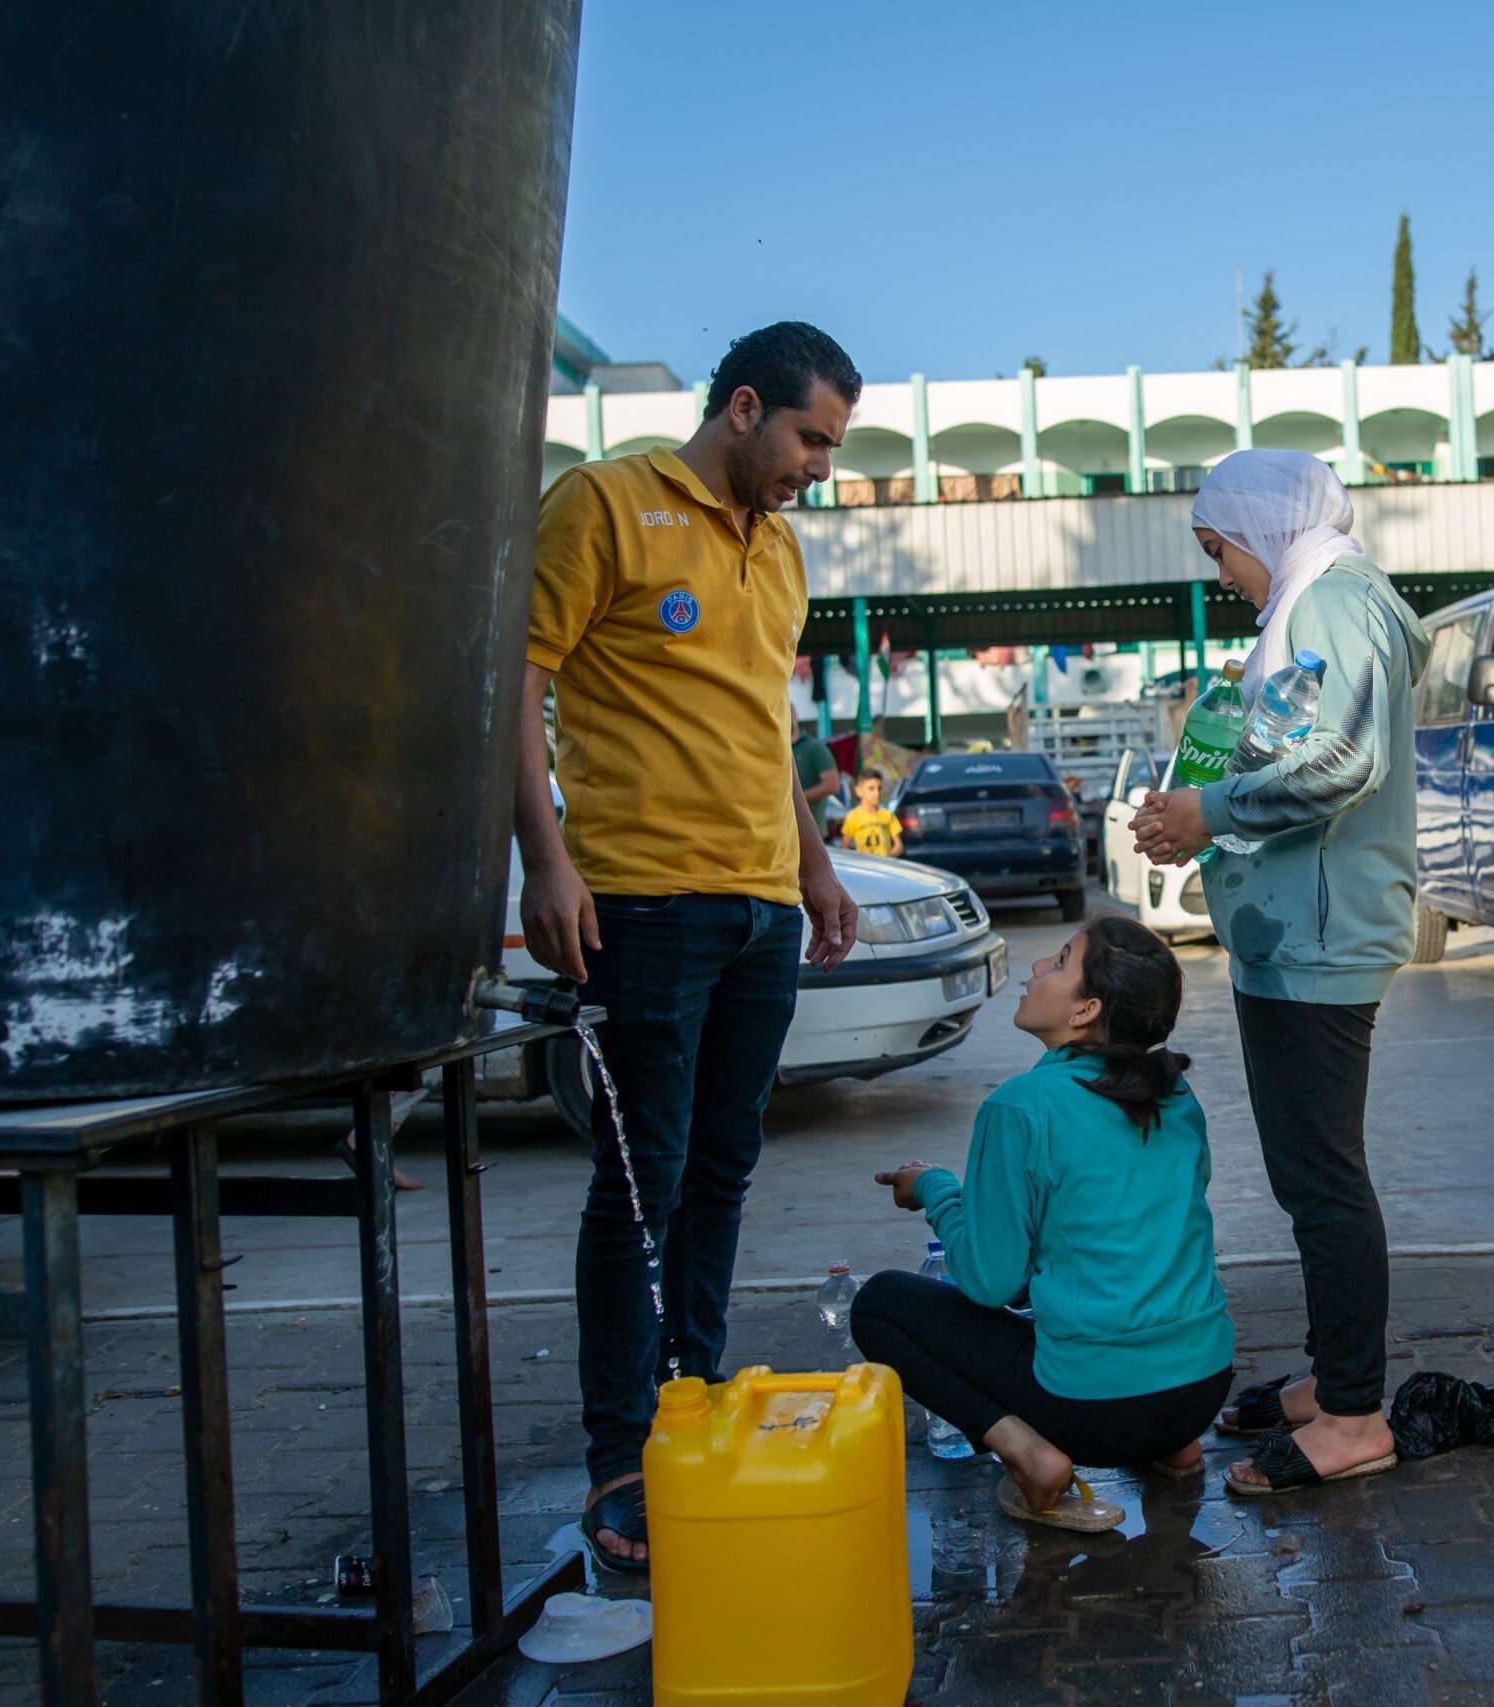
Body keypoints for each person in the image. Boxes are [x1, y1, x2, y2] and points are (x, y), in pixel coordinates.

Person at [516, 321, 863, 1575]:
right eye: (810, 438)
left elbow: (763, 727)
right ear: (742, 408)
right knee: (640, 1186)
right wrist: (545, 858)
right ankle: (623, 1460)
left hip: (762, 906)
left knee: (721, 1174)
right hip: (642, 904)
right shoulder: (603, 503)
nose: (819, 467)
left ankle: (691, 1404)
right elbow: (518, 674)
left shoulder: (779, 553)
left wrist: (816, 868)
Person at [1126, 449, 1430, 1497]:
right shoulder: (1322, 603)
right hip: (1299, 928)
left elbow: (1344, 763)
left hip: (1319, 933)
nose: (1223, 577)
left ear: (1261, 526)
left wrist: (1209, 811)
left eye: (1221, 552)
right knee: (1314, 1176)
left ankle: (1352, 1416)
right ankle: (1336, 1377)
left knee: (1321, 1179)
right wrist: (1198, 805)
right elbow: (1292, 749)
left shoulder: (1334, 604)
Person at [859, 918, 1233, 1531]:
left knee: (879, 1305)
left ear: (1086, 1010)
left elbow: (988, 1282)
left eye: (1059, 961)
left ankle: (1032, 1457)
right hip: (1202, 1389)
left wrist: (935, 1188)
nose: (1035, 970)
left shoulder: (1019, 1106)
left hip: (1096, 1412)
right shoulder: (1175, 1095)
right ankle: (1173, 1448)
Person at [792, 726, 840, 836]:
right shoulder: (774, 747)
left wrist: (797, 798)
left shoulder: (814, 747)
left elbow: (832, 785)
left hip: (811, 832)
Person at [842, 771, 902, 856]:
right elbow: (845, 847)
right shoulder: (853, 816)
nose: (877, 793)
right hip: (865, 867)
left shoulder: (887, 815)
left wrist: (888, 857)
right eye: (871, 788)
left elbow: (898, 846)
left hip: (884, 865)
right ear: (859, 791)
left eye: (879, 789)